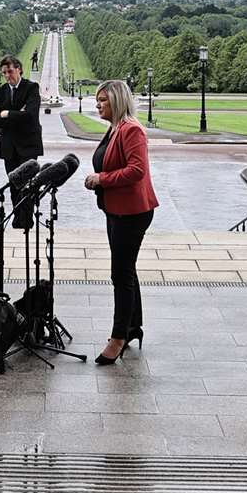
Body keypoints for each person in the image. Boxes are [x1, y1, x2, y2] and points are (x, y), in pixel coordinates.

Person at [83, 79, 159, 364]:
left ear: (117, 100)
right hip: (116, 209)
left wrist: (101, 179)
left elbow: (137, 170)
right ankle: (132, 327)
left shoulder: (132, 130)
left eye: (103, 100)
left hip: (132, 212)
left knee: (121, 274)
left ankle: (118, 338)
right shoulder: (115, 128)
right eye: (97, 100)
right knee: (127, 270)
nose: (98, 104)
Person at [0, 54, 43, 228]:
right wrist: (18, 113)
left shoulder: (32, 88)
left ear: (19, 69)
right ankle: (17, 216)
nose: (7, 76)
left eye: (10, 71)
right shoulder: (0, 92)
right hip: (9, 147)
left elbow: (31, 115)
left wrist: (8, 113)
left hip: (28, 146)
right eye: (4, 73)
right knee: (13, 184)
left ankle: (27, 219)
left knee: (28, 185)